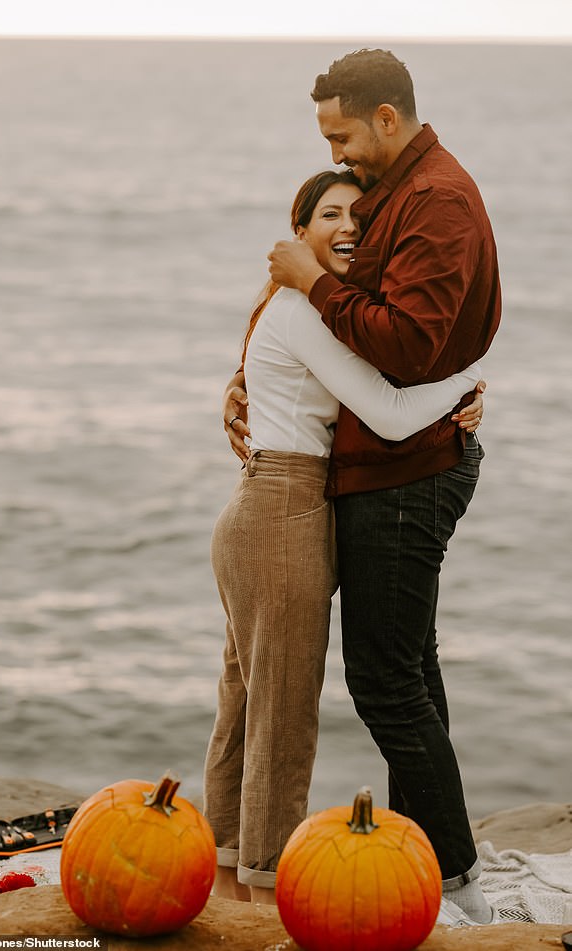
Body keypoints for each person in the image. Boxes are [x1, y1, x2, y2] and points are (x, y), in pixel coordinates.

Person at [257, 49, 502, 925]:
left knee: (384, 680)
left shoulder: (434, 200)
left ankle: (454, 879)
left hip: (408, 469)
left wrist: (315, 282)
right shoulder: (399, 195)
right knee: (409, 669)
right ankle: (435, 865)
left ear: (387, 119)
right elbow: (374, 337)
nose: (340, 153)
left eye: (343, 135)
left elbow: (405, 345)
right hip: (391, 461)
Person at [206, 168, 485, 906]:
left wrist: (452, 392)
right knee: (283, 712)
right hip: (284, 509)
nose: (348, 226)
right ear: (298, 232)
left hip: (270, 504)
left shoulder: (307, 310)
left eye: (360, 215)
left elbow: (386, 372)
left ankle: (228, 869)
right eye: (330, 214)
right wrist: (467, 382)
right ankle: (265, 893)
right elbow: (390, 414)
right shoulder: (303, 309)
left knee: (246, 700)